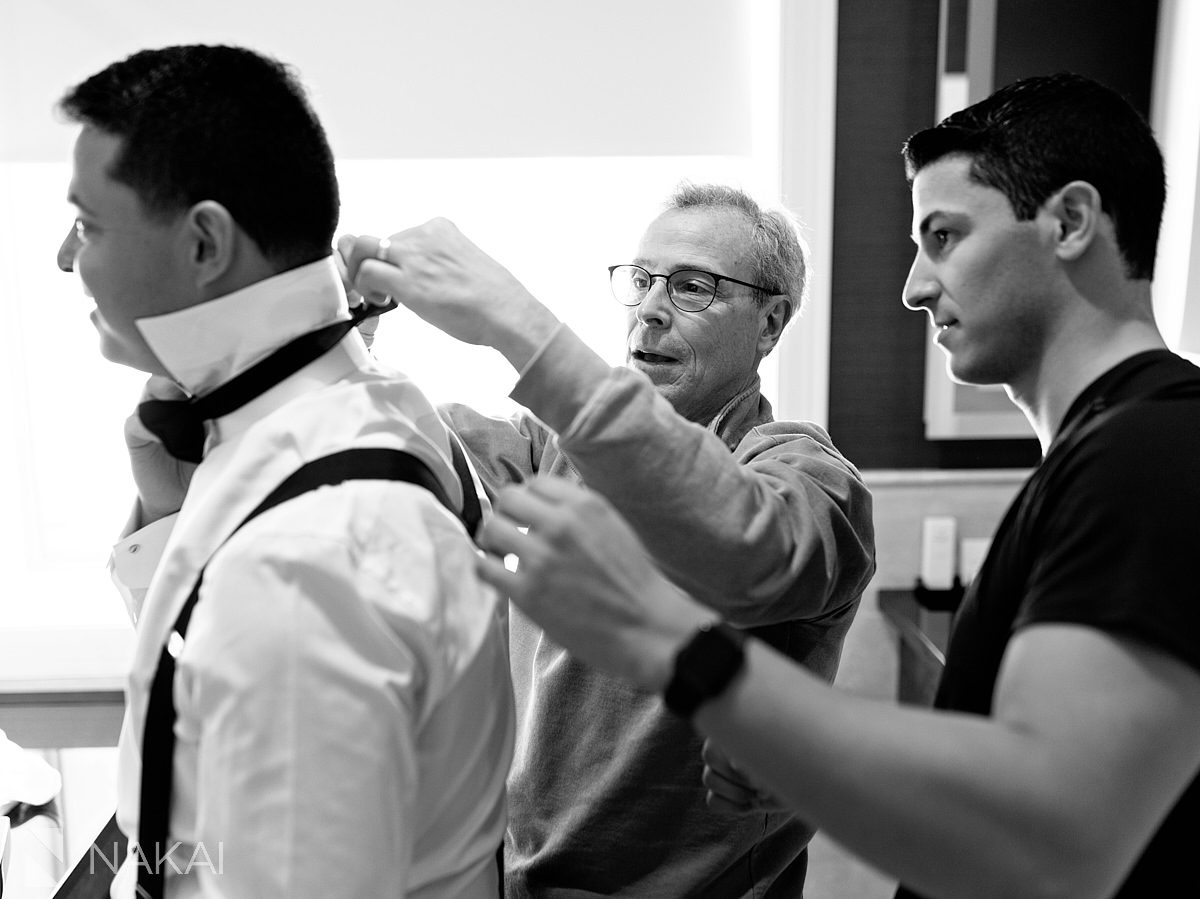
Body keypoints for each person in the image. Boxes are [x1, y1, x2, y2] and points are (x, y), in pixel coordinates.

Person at [465, 72, 1200, 898]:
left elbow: (1049, 839)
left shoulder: (1153, 448)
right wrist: (801, 755)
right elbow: (1002, 795)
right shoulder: (1106, 453)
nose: (914, 286)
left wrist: (675, 647)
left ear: (1069, 222)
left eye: (945, 236)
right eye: (640, 278)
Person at [300, 183, 878, 894]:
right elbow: (392, 447)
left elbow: (748, 551)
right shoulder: (553, 450)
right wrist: (343, 340)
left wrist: (520, 327)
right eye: (641, 281)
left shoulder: (805, 475)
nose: (651, 308)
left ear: (770, 323)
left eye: (693, 287)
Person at [58, 44, 513, 897]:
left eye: (87, 225)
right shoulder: (357, 414)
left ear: (204, 243)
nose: (64, 260)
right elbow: (220, 733)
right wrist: (168, 511)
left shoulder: (311, 552)